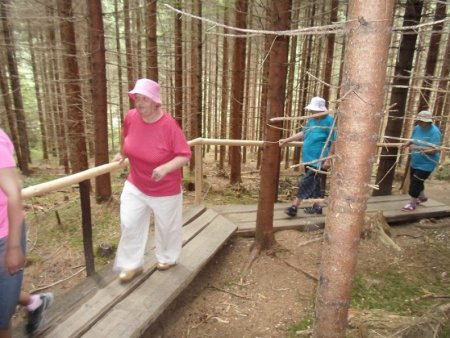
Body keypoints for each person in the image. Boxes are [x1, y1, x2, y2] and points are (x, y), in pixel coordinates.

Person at [113, 78, 192, 283]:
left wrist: (165, 168)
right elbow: (126, 137)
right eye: (137, 98)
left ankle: (167, 257)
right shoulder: (131, 117)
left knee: (167, 227)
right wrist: (122, 153)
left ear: (155, 101)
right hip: (136, 184)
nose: (139, 103)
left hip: (165, 188)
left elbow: (184, 154)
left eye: (144, 99)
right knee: (129, 223)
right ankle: (132, 265)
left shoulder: (168, 125)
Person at [0, 128, 53, 337]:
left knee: (1, 319)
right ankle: (35, 302)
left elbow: (14, 192)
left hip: (5, 236)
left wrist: (13, 247)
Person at [279, 97, 336, 217]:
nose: (312, 113)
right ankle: (317, 206)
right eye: (311, 110)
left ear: (321, 110)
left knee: (306, 181)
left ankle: (294, 207)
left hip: (319, 159)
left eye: (314, 111)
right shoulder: (311, 120)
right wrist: (287, 140)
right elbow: (303, 133)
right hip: (308, 158)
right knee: (314, 183)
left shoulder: (330, 121)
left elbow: (334, 140)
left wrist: (328, 158)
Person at [400, 110, 442, 212]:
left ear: (429, 122)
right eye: (420, 121)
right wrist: (407, 143)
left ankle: (412, 203)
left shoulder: (435, 132)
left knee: (415, 182)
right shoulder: (417, 128)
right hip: (416, 161)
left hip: (427, 163)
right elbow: (412, 139)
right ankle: (422, 197)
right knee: (417, 180)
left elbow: (435, 150)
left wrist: (418, 148)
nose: (421, 123)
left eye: (424, 121)